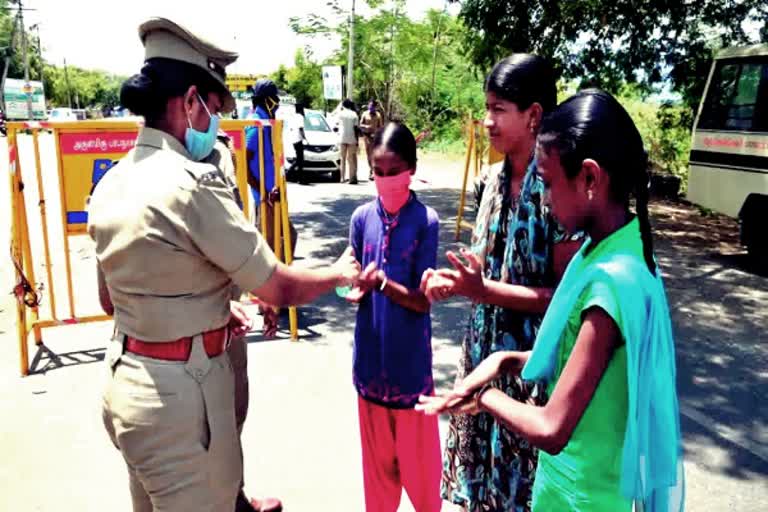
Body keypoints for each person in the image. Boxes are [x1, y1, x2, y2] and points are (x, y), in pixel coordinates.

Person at [89, 17, 360, 512]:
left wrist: (207, 309)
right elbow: (277, 285)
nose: (214, 122)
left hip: (127, 389)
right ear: (190, 102)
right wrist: (339, 274)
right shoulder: (190, 184)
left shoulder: (112, 182)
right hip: (179, 406)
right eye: (212, 108)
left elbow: (111, 298)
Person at [418, 89, 685, 512]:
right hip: (573, 485)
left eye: (549, 183)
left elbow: (552, 426)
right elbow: (580, 365)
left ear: (591, 179)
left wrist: (482, 396)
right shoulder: (613, 248)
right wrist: (506, 360)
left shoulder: (610, 285)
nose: (542, 199)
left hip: (582, 496)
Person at [419, 54, 581, 512]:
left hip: (529, 373)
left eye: (498, 109)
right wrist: (455, 281)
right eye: (485, 108)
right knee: (481, 488)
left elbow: (568, 299)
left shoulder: (557, 191)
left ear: (533, 116)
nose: (487, 121)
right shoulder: (490, 180)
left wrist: (484, 291)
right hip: (483, 356)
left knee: (522, 493)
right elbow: (486, 268)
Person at [346, 122, 442, 512]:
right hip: (369, 375)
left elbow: (422, 302)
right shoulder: (360, 219)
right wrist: (349, 287)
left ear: (411, 169)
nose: (386, 180)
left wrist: (383, 284)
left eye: (394, 171)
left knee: (423, 487)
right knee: (378, 490)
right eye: (378, 172)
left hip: (411, 381)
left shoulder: (426, 221)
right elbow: (348, 277)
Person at [245, 78, 298, 337]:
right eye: (274, 96)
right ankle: (269, 299)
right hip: (264, 199)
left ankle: (275, 293)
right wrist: (265, 192)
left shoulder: (268, 123)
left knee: (281, 242)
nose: (277, 101)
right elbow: (245, 164)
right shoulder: (256, 126)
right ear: (266, 98)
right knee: (267, 249)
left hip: (274, 197)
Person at [337, 98, 360, 184]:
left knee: (342, 158)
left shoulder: (340, 113)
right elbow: (355, 128)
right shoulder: (354, 114)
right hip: (351, 137)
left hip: (342, 137)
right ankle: (351, 178)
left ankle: (342, 178)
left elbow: (337, 124)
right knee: (351, 159)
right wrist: (356, 140)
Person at [360, 99, 384, 179]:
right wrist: (366, 127)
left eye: (372, 106)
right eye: (369, 106)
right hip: (367, 137)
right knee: (369, 155)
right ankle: (371, 170)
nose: (370, 107)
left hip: (376, 137)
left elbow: (381, 127)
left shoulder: (378, 115)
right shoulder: (364, 114)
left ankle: (374, 171)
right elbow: (360, 125)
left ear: (375, 107)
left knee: (375, 155)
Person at [289, 102, 308, 184]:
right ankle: (297, 176)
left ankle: (294, 174)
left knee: (298, 159)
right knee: (300, 159)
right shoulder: (300, 117)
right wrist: (304, 137)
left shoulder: (293, 116)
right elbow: (301, 128)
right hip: (298, 139)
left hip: (293, 139)